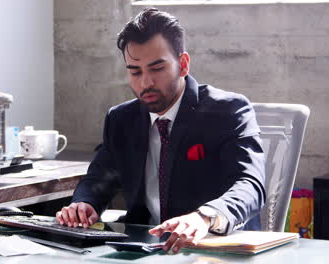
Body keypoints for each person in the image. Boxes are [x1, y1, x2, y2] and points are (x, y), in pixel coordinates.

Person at [56, 8, 266, 253]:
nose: (145, 83)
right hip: (146, 249)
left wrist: (204, 217)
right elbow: (99, 178)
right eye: (135, 71)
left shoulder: (228, 111)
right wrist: (84, 203)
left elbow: (250, 184)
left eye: (157, 69)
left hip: (215, 248)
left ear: (183, 64)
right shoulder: (121, 119)